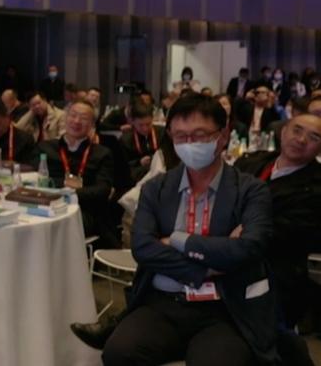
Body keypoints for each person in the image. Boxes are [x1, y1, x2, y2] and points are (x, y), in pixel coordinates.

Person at [99, 94, 278, 366]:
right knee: (119, 352)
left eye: (200, 135)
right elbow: (143, 248)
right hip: (163, 301)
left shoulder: (251, 190)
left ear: (223, 136)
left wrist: (176, 240)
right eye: (181, 136)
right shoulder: (157, 188)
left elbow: (248, 248)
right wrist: (209, 266)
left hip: (224, 306)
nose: (190, 143)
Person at [234, 114, 321, 329]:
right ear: (283, 132)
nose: (301, 140)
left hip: (274, 270)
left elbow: (287, 230)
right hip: (227, 257)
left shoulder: (316, 187)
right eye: (297, 130)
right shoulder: (251, 162)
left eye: (314, 137)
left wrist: (244, 229)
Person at [29, 100, 113, 238]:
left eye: (84, 118)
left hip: (84, 211)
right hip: (47, 208)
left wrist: (68, 193)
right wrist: (66, 185)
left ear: (92, 125)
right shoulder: (45, 148)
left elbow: (102, 190)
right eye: (73, 115)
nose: (77, 121)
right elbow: (37, 180)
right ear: (65, 118)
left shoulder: (102, 154)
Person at [120, 103, 167, 182]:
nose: (145, 129)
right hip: (138, 174)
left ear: (152, 119)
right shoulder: (125, 140)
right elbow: (123, 166)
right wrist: (139, 162)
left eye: (148, 124)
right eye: (141, 125)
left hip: (161, 171)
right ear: (132, 122)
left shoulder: (162, 133)